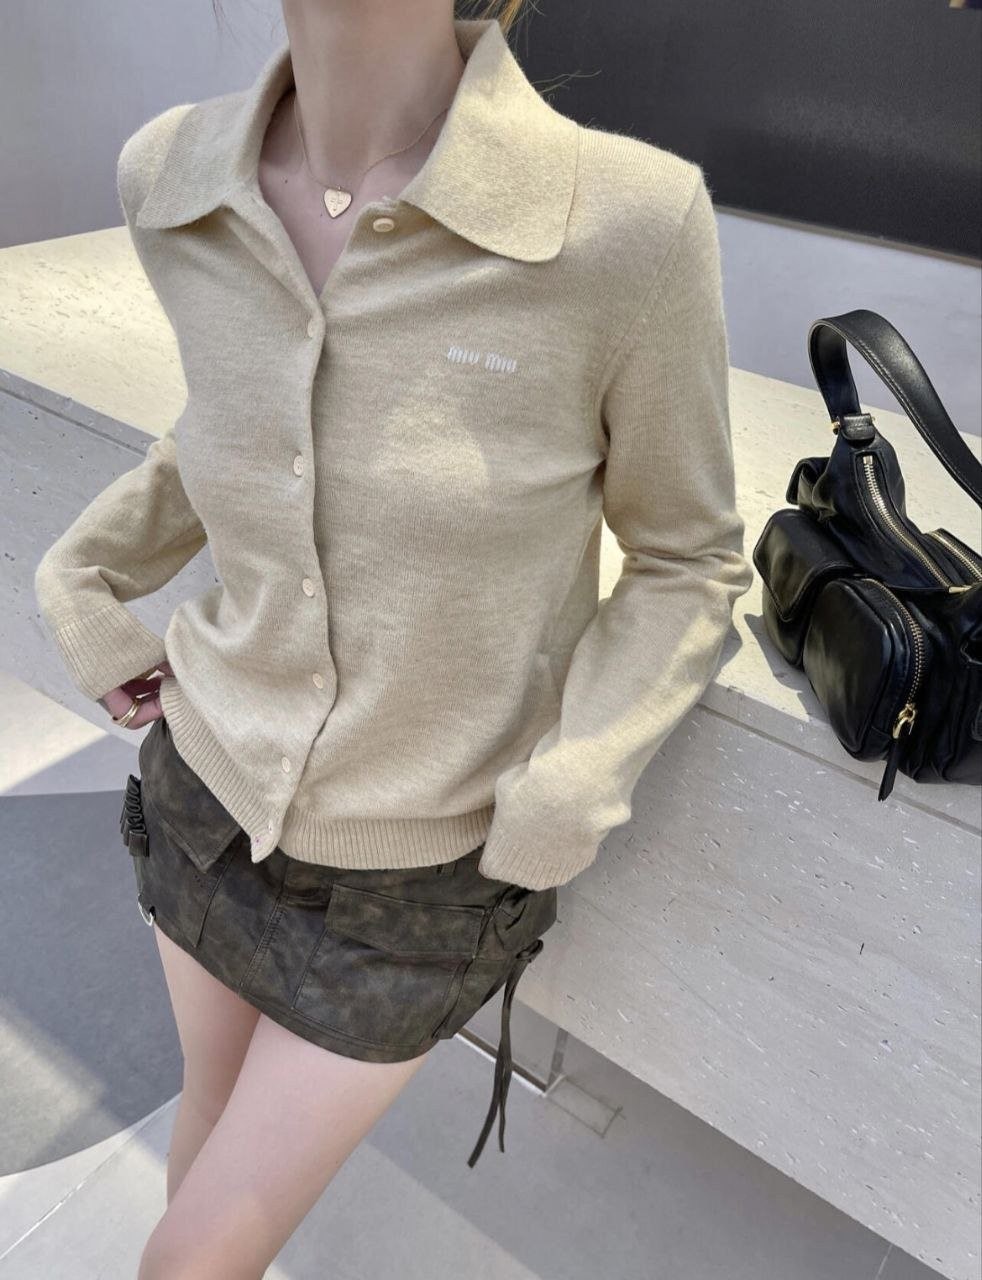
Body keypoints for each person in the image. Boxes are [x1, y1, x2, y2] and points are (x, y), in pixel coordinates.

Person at [33, 1, 755, 1275]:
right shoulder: (171, 175)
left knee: (187, 1255)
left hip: (419, 880)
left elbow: (687, 558)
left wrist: (569, 788)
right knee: (206, 1125)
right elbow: (229, 427)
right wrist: (82, 573)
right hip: (203, 796)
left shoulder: (624, 221)